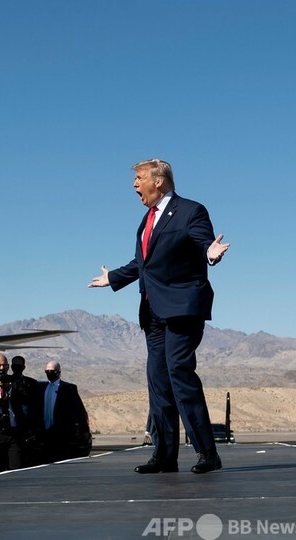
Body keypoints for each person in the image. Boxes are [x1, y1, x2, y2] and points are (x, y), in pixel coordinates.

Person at [89, 158, 230, 474]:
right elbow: (144, 263)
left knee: (179, 372)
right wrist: (113, 277)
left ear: (159, 180)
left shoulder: (190, 211)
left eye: (139, 178)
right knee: (158, 382)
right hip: (152, 313)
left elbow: (202, 241)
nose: (134, 185)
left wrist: (210, 252)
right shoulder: (146, 220)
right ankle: (165, 456)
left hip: (182, 307)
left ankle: (208, 453)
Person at [0, 353, 34, 473]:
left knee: (16, 467)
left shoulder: (16, 383)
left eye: (4, 365)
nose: (1, 368)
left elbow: (25, 402)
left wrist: (9, 388)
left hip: (13, 432)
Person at [37, 361, 91, 463]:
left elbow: (79, 411)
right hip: (44, 433)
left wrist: (84, 431)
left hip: (62, 434)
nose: (49, 373)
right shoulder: (41, 388)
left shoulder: (68, 389)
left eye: (52, 371)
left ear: (59, 372)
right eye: (47, 371)